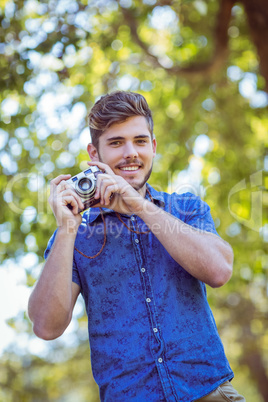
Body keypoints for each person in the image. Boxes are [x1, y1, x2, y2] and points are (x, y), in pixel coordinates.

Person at [28, 91, 245, 402]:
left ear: (153, 147)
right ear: (94, 154)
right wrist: (66, 229)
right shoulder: (75, 235)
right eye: (116, 143)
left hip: (209, 391)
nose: (131, 152)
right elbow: (46, 326)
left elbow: (220, 271)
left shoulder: (184, 209)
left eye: (140, 141)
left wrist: (140, 207)